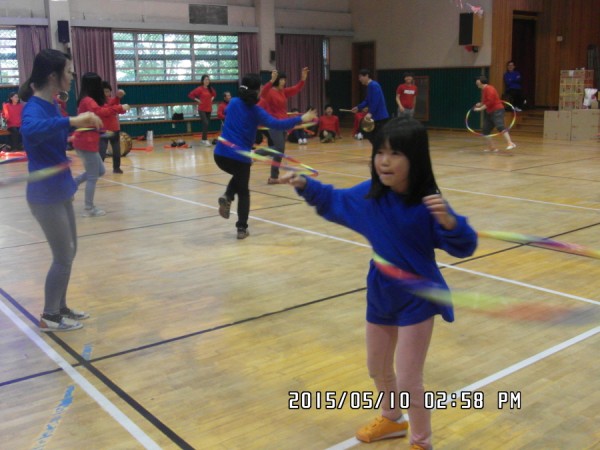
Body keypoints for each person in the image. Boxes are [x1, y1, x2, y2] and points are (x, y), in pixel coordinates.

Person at [281, 117, 477, 450]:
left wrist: (449, 222)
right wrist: (303, 184)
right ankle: (391, 418)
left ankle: (421, 441)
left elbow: (464, 245)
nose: (384, 161)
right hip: (382, 290)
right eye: (380, 153)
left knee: (409, 379)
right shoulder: (370, 196)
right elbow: (334, 200)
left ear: (415, 159)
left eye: (395, 153)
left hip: (417, 297)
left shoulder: (427, 204)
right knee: (377, 366)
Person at [19, 49, 103, 332]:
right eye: (68, 71)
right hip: (45, 195)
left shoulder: (52, 104)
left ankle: (60, 306)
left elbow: (52, 134)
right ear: (53, 76)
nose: (71, 76)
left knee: (70, 252)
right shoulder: (34, 107)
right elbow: (30, 131)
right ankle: (49, 316)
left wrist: (78, 128)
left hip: (60, 188)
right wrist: (72, 121)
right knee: (63, 256)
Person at [213, 73, 316, 239]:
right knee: (244, 191)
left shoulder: (233, 102)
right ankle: (241, 228)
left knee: (239, 176)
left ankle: (228, 196)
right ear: (257, 90)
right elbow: (277, 124)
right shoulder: (257, 111)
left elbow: (232, 110)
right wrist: (301, 118)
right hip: (240, 157)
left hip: (220, 154)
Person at [73, 72, 117, 217]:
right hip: (86, 142)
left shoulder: (87, 100)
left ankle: (72, 184)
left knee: (100, 171)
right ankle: (89, 208)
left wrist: (102, 132)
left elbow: (92, 122)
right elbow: (100, 112)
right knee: (93, 176)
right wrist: (119, 108)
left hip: (88, 140)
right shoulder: (88, 100)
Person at [260, 67, 308, 184]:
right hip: (274, 124)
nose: (284, 82)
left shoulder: (283, 92)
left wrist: (303, 79)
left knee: (279, 151)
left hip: (284, 124)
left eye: (284, 80)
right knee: (279, 149)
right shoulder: (270, 92)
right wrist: (271, 80)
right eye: (281, 79)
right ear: (277, 80)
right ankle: (255, 154)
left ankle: (273, 177)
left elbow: (296, 89)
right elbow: (263, 93)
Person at [474, 76, 517, 153]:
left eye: (477, 81)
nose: (476, 83)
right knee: (485, 130)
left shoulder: (489, 88)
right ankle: (492, 148)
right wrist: (480, 104)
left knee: (500, 126)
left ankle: (510, 143)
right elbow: (486, 101)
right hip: (490, 112)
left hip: (497, 110)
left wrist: (480, 109)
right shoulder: (484, 90)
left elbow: (490, 101)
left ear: (481, 82)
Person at [99, 81, 130, 173]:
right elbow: (107, 109)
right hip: (103, 130)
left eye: (108, 91)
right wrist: (118, 100)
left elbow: (120, 110)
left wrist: (123, 107)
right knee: (102, 150)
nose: (106, 94)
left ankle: (116, 168)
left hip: (114, 129)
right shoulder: (98, 102)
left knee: (117, 150)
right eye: (104, 91)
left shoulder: (112, 100)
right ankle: (98, 169)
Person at [352, 68, 389, 143]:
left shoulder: (374, 85)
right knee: (374, 139)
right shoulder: (370, 86)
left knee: (379, 139)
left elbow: (376, 100)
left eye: (360, 77)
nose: (359, 79)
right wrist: (358, 107)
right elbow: (367, 100)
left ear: (366, 76)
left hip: (380, 116)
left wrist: (370, 112)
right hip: (376, 116)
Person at [188, 74, 216, 146]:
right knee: (205, 123)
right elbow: (191, 95)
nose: (207, 81)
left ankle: (203, 140)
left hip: (209, 108)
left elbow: (214, 94)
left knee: (206, 124)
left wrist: (211, 99)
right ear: (202, 81)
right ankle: (205, 139)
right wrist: (198, 100)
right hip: (202, 109)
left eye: (208, 79)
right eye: (206, 79)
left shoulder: (210, 89)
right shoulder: (199, 89)